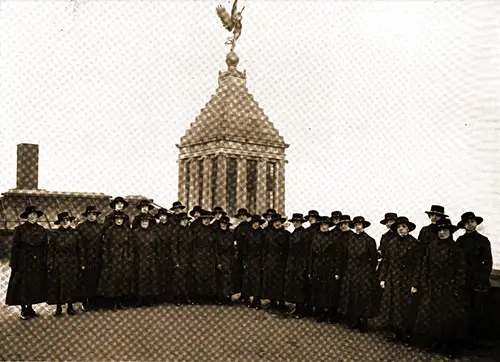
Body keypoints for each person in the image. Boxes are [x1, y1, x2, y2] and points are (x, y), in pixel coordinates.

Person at [415, 218, 467, 358]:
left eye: (445, 230)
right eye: (440, 230)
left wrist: (456, 288)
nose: (442, 233)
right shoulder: (432, 247)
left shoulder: (456, 250)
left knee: (448, 317)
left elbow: (461, 271)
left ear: (450, 232)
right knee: (432, 316)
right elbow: (425, 266)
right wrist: (425, 284)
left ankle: (448, 346)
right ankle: (435, 342)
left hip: (449, 288)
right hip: (432, 287)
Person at [379, 216, 423, 345]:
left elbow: (418, 266)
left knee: (407, 307)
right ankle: (396, 332)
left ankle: (407, 335)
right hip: (393, 278)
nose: (401, 229)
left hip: (407, 280)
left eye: (403, 227)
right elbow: (386, 262)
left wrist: (415, 283)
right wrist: (383, 278)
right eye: (399, 227)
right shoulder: (392, 243)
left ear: (408, 228)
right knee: (394, 306)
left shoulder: (414, 244)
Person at [5, 206, 49, 320]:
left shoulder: (41, 230)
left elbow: (45, 247)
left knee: (34, 286)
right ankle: (24, 309)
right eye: (30, 214)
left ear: (37, 216)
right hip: (23, 262)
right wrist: (14, 263)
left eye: (34, 214)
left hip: (37, 262)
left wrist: (45, 261)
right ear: (27, 216)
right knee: (23, 286)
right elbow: (15, 248)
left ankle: (30, 307)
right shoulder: (19, 230)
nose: (32, 216)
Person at [456, 211, 493, 342]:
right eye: (467, 222)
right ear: (464, 225)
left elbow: (487, 262)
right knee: (463, 309)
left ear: (476, 223)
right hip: (463, 280)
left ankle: (477, 340)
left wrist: (482, 279)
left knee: (477, 310)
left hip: (477, 281)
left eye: (472, 221)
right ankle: (463, 339)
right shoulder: (460, 241)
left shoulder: (483, 241)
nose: (470, 224)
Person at [338, 216, 378, 332]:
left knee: (363, 297)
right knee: (351, 295)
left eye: (360, 225)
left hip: (364, 273)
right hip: (351, 272)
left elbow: (373, 259)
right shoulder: (350, 240)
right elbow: (345, 256)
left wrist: (368, 272)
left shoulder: (369, 240)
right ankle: (353, 320)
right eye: (356, 225)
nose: (358, 227)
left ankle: (363, 322)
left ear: (363, 226)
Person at [47, 212, 84, 317]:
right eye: (62, 221)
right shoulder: (55, 234)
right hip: (59, 262)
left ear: (70, 221)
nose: (65, 222)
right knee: (58, 285)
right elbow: (51, 250)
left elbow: (80, 249)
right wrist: (51, 263)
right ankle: (58, 307)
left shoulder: (75, 233)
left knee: (70, 285)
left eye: (67, 220)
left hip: (72, 263)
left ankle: (70, 306)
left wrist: (82, 263)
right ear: (60, 222)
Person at [97, 211, 133, 311]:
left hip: (123, 258)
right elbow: (105, 247)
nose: (119, 221)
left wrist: (129, 258)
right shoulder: (109, 231)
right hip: (112, 259)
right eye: (117, 219)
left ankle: (121, 302)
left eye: (121, 219)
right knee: (113, 282)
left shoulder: (127, 231)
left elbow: (130, 246)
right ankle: (113, 303)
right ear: (114, 220)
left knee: (122, 281)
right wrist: (106, 259)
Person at [309, 216, 340, 322]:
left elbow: (337, 256)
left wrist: (337, 271)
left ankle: (331, 314)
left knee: (330, 291)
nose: (324, 227)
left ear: (329, 226)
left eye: (326, 225)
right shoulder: (315, 237)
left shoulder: (334, 238)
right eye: (322, 225)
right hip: (317, 267)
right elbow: (311, 255)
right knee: (318, 290)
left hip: (329, 267)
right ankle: (320, 313)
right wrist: (310, 270)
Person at [77, 205, 105, 311]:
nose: (92, 216)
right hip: (86, 258)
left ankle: (94, 302)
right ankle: (85, 302)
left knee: (96, 281)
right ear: (86, 215)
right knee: (86, 281)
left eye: (94, 214)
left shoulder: (100, 227)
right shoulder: (81, 227)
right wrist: (82, 261)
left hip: (97, 258)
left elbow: (103, 243)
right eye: (90, 214)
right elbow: (79, 246)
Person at [262, 213, 290, 311]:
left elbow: (288, 250)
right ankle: (272, 302)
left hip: (281, 262)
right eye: (275, 222)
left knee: (281, 283)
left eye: (279, 222)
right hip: (270, 262)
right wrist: (265, 262)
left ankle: (281, 303)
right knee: (271, 282)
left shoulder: (286, 234)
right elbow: (265, 249)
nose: (277, 224)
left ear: (281, 223)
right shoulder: (268, 234)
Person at [283, 213, 309, 318]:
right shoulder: (293, 233)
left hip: (300, 263)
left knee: (300, 286)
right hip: (293, 263)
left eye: (298, 222)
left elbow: (307, 251)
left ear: (301, 222)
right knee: (294, 286)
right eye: (294, 222)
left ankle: (302, 310)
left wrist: (304, 266)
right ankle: (297, 308)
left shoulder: (304, 234)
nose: (295, 223)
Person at [132, 214, 161, 307]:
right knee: (140, 279)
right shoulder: (135, 233)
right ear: (140, 223)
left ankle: (149, 299)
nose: (145, 223)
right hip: (139, 258)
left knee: (150, 278)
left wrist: (156, 257)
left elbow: (157, 247)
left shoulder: (153, 233)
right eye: (143, 222)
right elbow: (132, 247)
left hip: (151, 258)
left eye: (146, 222)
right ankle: (139, 299)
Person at [191, 210, 218, 304]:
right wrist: (194, 258)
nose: (206, 221)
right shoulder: (196, 231)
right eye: (204, 219)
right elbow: (193, 246)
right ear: (201, 220)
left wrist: (215, 258)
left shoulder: (212, 231)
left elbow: (215, 246)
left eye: (208, 219)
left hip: (210, 257)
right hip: (199, 256)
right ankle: (200, 298)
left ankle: (208, 298)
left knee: (209, 277)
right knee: (199, 277)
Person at [241, 215, 265, 309]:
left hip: (259, 260)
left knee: (257, 281)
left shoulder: (262, 234)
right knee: (248, 280)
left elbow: (264, 248)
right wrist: (245, 261)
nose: (255, 225)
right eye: (254, 223)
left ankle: (257, 300)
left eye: (257, 223)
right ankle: (249, 300)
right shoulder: (247, 234)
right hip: (249, 260)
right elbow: (244, 248)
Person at [171, 212, 193, 306]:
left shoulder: (188, 231)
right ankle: (177, 298)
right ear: (179, 221)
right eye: (183, 220)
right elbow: (173, 247)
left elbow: (192, 245)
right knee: (178, 280)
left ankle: (186, 298)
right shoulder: (176, 231)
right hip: (179, 258)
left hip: (188, 258)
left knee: (187, 280)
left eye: (186, 220)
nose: (184, 222)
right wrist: (176, 261)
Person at [155, 208, 175, 303]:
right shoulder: (156, 228)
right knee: (159, 275)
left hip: (169, 253)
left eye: (164, 216)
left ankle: (168, 296)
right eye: (161, 216)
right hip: (159, 254)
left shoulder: (171, 227)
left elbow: (173, 241)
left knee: (169, 275)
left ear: (167, 217)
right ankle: (160, 297)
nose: (163, 217)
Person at [215, 216, 236, 305]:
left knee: (229, 279)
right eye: (222, 223)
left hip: (229, 259)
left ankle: (229, 298)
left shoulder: (231, 235)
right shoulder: (217, 235)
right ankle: (221, 298)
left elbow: (234, 247)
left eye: (225, 224)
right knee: (220, 280)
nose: (223, 225)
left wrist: (234, 257)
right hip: (220, 258)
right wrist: (218, 262)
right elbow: (215, 249)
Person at [232, 208, 252, 303]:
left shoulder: (250, 227)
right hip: (240, 254)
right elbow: (234, 241)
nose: (242, 217)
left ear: (246, 216)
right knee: (240, 275)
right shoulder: (238, 228)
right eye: (240, 216)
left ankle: (247, 296)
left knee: (247, 275)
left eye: (243, 216)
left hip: (248, 254)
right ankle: (242, 294)